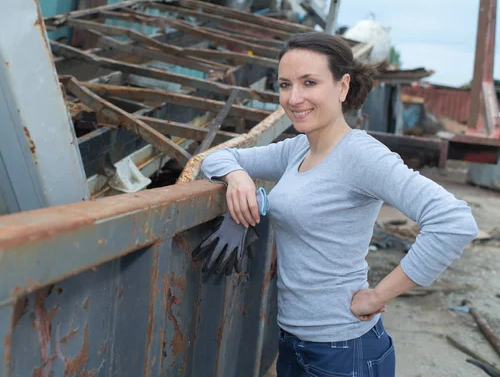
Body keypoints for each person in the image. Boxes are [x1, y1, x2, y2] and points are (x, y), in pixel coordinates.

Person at [200, 32, 478, 377]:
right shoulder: (298, 149)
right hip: (293, 341)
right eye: (285, 84)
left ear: (343, 86)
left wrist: (378, 295)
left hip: (344, 351)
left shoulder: (360, 155)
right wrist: (238, 176)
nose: (294, 97)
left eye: (310, 82)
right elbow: (213, 158)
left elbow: (453, 222)